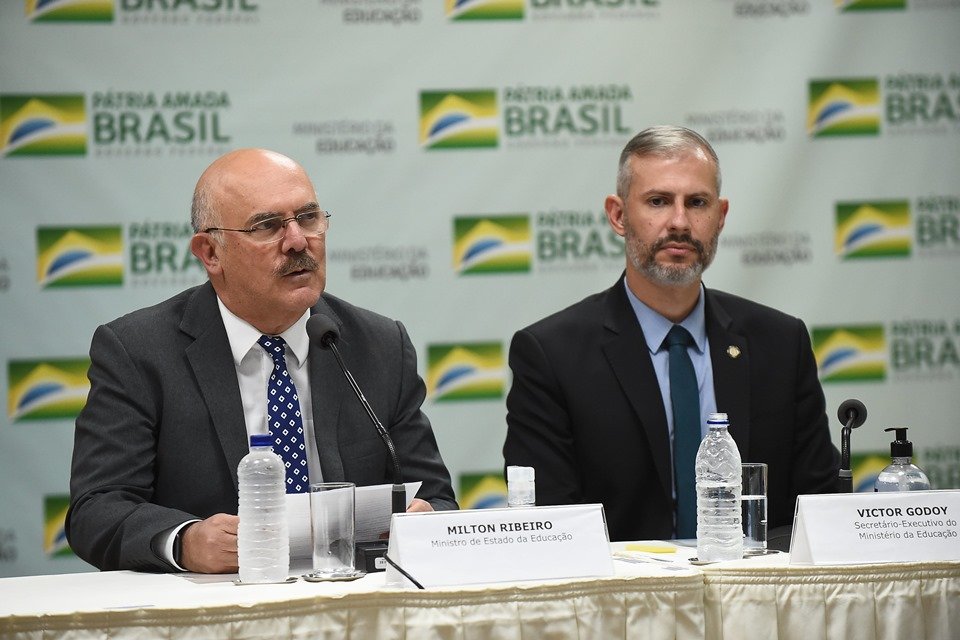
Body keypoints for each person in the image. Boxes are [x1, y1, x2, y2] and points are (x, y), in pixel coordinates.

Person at [66, 148, 457, 573]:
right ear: (210, 253)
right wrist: (185, 542)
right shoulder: (138, 351)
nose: (296, 241)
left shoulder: (378, 344)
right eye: (267, 226)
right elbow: (97, 509)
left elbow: (436, 496)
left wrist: (426, 521)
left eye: (308, 218)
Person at [502, 126, 839, 543]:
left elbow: (820, 512)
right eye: (658, 202)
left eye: (697, 203)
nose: (679, 222)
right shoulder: (552, 355)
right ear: (618, 215)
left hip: (753, 596)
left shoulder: (781, 343)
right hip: (621, 601)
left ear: (721, 216)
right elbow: (549, 531)